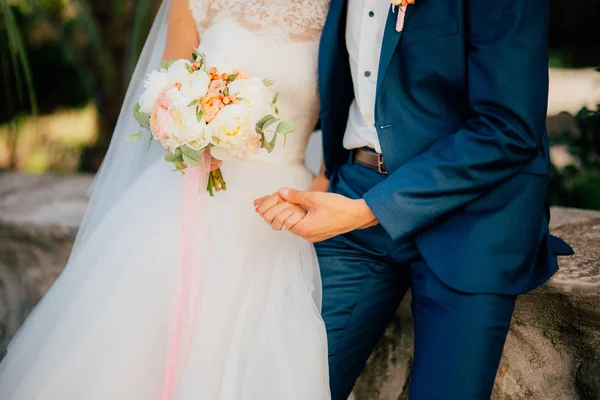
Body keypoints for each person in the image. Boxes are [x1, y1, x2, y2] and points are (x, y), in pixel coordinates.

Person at [0, 1, 333, 399]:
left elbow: (354, 104)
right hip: (188, 195)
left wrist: (324, 180)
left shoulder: (340, 9)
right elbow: (165, 94)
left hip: (282, 205)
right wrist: (190, 127)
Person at [256, 1, 574, 399]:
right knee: (282, 384)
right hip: (355, 189)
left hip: (474, 216)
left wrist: (371, 210)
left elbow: (508, 128)